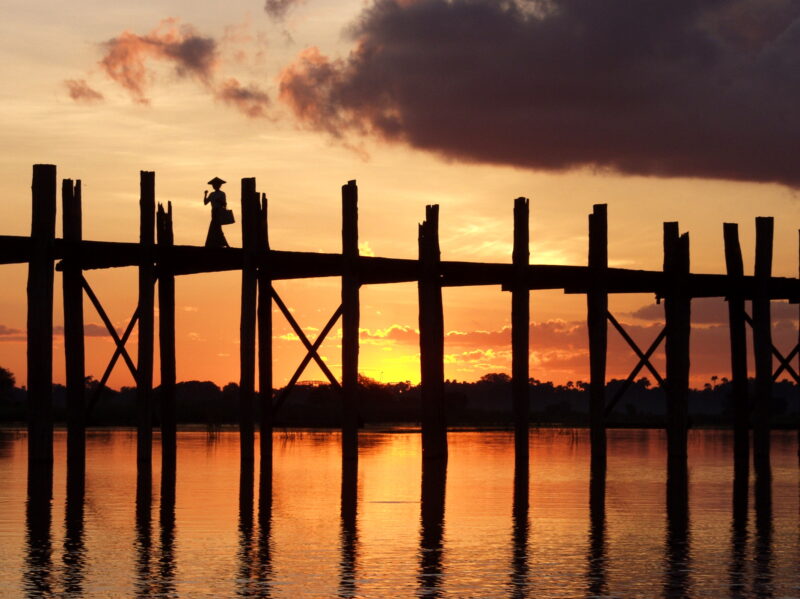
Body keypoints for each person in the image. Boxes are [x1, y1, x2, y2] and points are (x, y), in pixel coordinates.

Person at [204, 176, 230, 248]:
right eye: (214, 185)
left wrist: (220, 201)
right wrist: (205, 194)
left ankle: (219, 244)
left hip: (219, 212)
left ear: (219, 185)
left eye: (216, 185)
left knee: (216, 227)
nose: (214, 186)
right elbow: (205, 202)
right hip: (214, 212)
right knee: (216, 228)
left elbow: (224, 204)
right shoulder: (212, 194)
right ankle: (220, 244)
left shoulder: (222, 194)